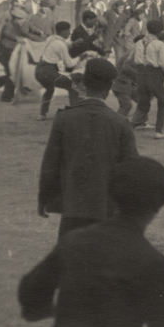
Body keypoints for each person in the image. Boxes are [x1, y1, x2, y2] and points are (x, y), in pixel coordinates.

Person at [19, 156, 164, 327]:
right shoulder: (150, 262)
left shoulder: (74, 240)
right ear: (162, 202)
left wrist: (51, 312)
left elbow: (30, 290)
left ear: (111, 195)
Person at [37, 58, 139, 238]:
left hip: (73, 207)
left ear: (84, 84)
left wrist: (44, 199)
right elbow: (131, 169)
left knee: (71, 260)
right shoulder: (120, 122)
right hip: (107, 208)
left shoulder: (64, 119)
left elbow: (50, 165)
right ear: (109, 89)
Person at [129, 20, 164, 138]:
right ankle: (158, 131)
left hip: (140, 75)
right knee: (163, 101)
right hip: (154, 75)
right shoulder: (159, 44)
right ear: (160, 31)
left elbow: (132, 59)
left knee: (143, 103)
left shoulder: (139, 42)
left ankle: (129, 128)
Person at [0, 6, 39, 102]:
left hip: (11, 52)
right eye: (22, 19)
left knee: (13, 73)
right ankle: (6, 96)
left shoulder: (19, 25)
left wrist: (39, 35)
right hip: (3, 52)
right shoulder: (9, 25)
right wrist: (17, 38)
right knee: (12, 73)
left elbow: (28, 32)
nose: (24, 21)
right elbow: (7, 32)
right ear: (16, 19)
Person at [34, 21, 83, 121]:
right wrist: (80, 57)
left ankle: (42, 114)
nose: (69, 33)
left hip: (38, 70)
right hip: (48, 71)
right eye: (68, 31)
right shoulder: (61, 44)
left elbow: (59, 46)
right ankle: (75, 114)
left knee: (49, 89)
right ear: (63, 31)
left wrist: (73, 44)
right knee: (73, 86)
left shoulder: (50, 38)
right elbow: (69, 64)